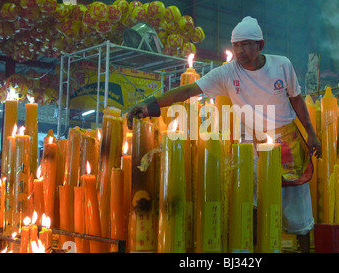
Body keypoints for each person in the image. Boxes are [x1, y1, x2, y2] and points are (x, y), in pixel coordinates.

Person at [126, 16, 322, 253]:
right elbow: (188, 90)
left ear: (260, 45)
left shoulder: (282, 65)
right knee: (251, 202)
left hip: (286, 140)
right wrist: (150, 105)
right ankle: (255, 250)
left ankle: (305, 250)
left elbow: (296, 99)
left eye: (246, 44)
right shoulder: (227, 73)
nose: (240, 50)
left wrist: (311, 133)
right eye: (236, 45)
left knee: (297, 202)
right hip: (250, 144)